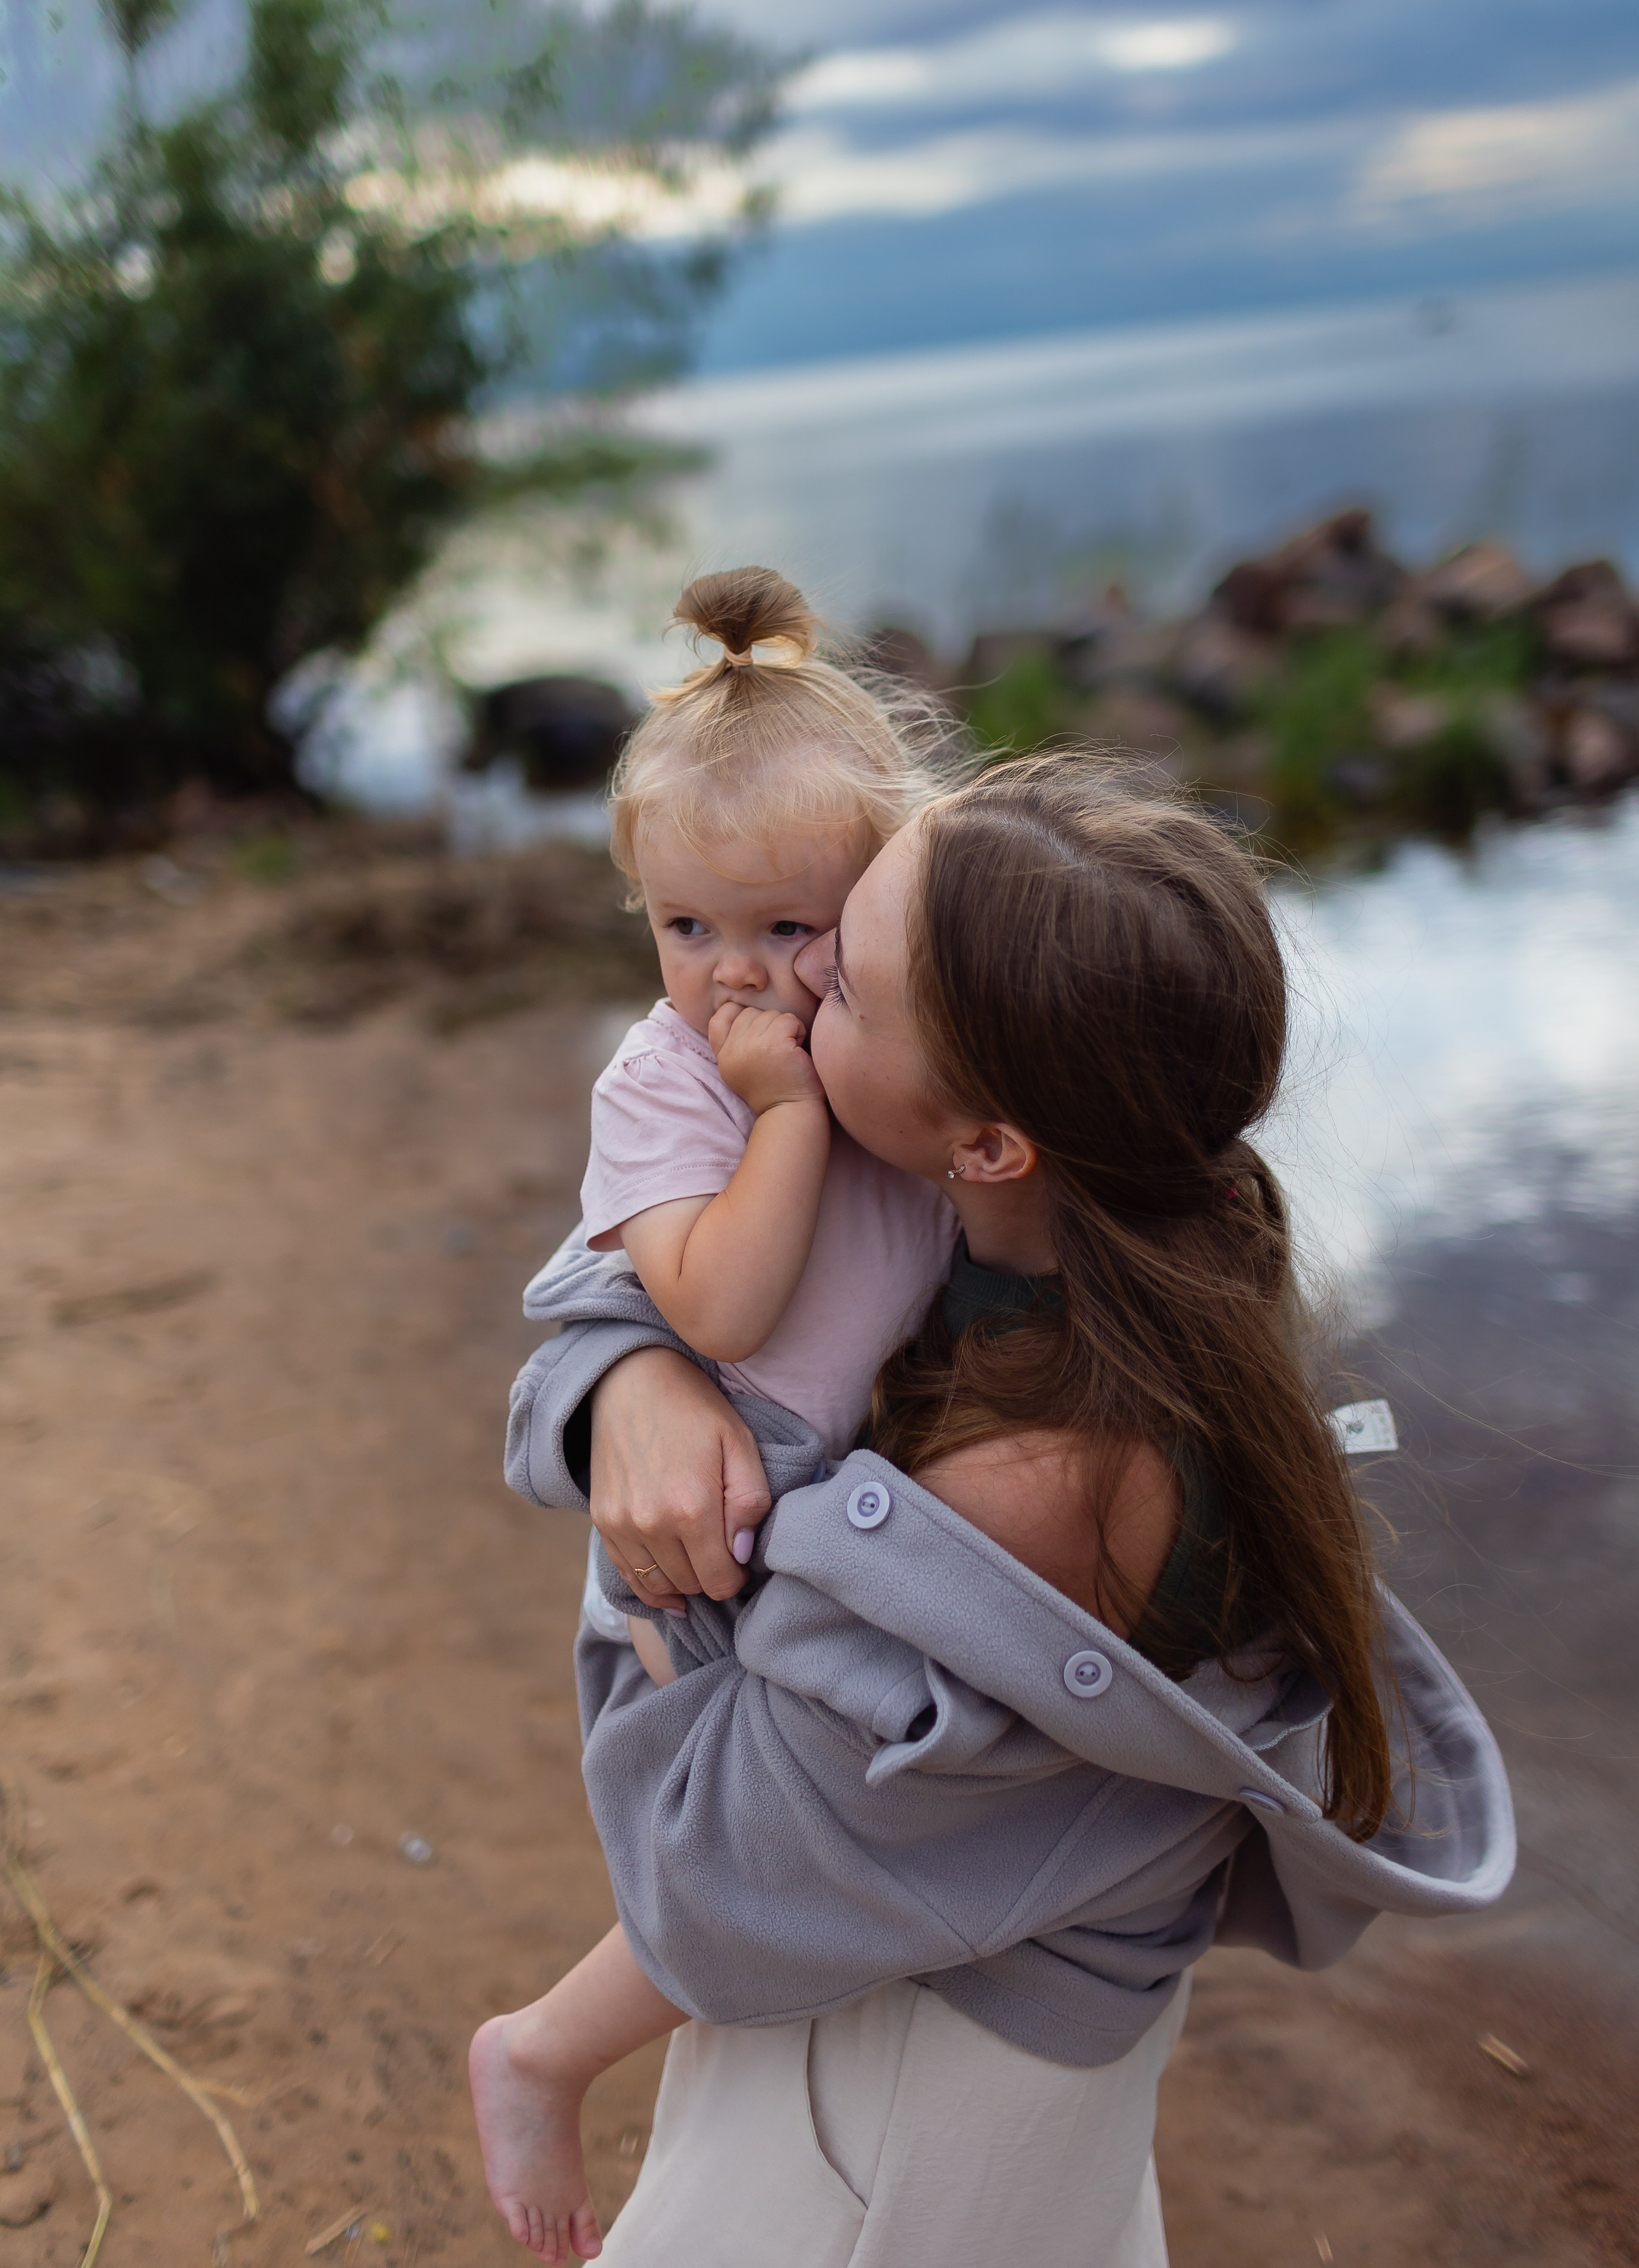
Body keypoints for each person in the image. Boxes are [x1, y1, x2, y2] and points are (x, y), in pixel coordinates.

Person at [485, 753, 1515, 2268]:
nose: (800, 968)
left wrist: (659, 1606)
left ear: (982, 1141)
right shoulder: (1122, 1232)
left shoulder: (1040, 1485)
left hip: (902, 2102)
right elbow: (640, 1258)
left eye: (846, 977)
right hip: (929, 1990)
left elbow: (710, 1877)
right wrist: (633, 1367)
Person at [471, 565, 961, 2255]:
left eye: (785, 927)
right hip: (704, 1548)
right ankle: (541, 2054)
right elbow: (721, 1306)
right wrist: (784, 1117)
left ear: (887, 887)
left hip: (838, 1508)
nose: (735, 974)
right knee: (740, 1856)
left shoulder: (901, 1038)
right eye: (688, 929)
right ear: (643, 918)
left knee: (835, 1838)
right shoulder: (676, 1081)